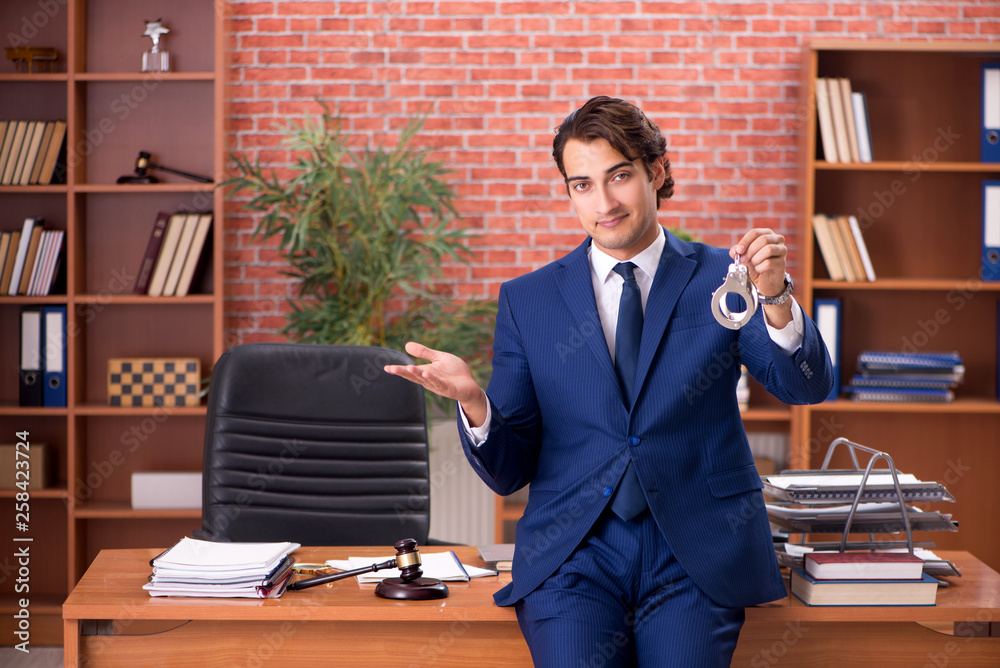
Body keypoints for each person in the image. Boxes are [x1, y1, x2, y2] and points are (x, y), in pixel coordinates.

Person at [385, 96, 833, 667]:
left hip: (694, 552)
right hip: (575, 556)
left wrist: (775, 298)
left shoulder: (724, 281)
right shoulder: (530, 300)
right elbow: (509, 470)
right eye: (582, 185)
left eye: (619, 176)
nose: (604, 202)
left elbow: (805, 388)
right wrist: (474, 402)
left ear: (658, 171)